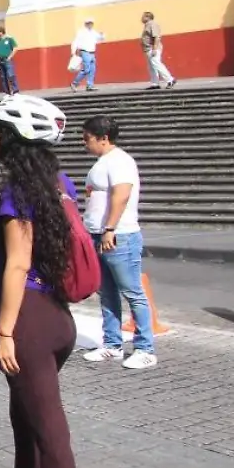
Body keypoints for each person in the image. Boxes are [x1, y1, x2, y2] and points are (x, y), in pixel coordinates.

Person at [0, 94, 81, 468]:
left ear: (13, 141)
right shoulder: (59, 183)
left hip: (31, 322)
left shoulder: (17, 192)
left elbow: (18, 263)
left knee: (49, 429)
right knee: (24, 414)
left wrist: (5, 331)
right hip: (58, 318)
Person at [77, 116, 154, 370]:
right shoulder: (102, 162)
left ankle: (145, 348)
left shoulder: (120, 161)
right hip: (99, 235)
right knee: (107, 292)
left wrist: (110, 228)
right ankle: (112, 344)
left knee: (132, 292)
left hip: (119, 235)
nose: (83, 142)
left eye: (87, 138)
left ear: (103, 138)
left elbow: (121, 195)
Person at [140, 12, 175, 90]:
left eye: (143, 17)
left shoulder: (152, 24)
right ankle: (155, 83)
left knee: (157, 64)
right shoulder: (147, 25)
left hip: (153, 48)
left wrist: (154, 49)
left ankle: (170, 80)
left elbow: (156, 37)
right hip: (148, 49)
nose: (141, 18)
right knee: (151, 67)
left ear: (148, 17)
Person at [67, 21, 101, 92]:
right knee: (86, 69)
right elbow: (75, 42)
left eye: (91, 23)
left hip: (92, 53)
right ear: (85, 24)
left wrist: (102, 36)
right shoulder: (81, 32)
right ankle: (74, 83)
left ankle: (90, 85)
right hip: (85, 52)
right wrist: (73, 52)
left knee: (92, 69)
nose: (90, 25)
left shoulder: (93, 32)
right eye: (89, 24)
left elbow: (99, 38)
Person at [0, 27, 19, 95]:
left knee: (11, 75)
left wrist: (10, 57)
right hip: (0, 61)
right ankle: (7, 92)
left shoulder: (9, 39)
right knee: (3, 77)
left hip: (7, 60)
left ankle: (15, 90)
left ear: (1, 32)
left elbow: (15, 48)